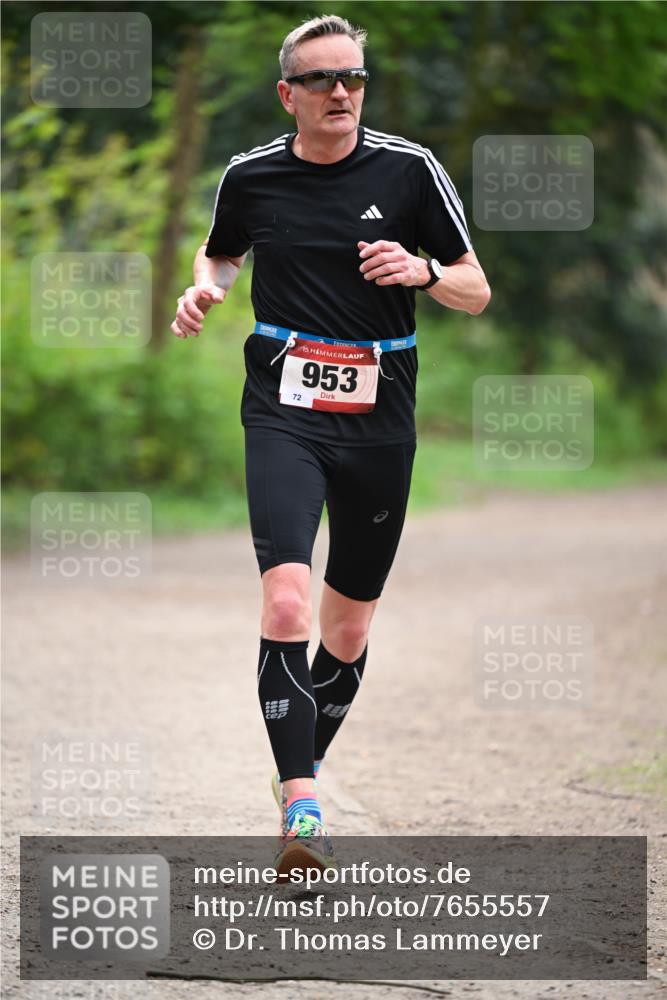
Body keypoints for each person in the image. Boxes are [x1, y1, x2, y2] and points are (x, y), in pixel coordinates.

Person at [171, 14, 490, 874]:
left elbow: (474, 288)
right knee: (285, 605)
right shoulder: (251, 175)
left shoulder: (410, 169)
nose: (340, 92)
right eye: (320, 80)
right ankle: (303, 805)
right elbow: (220, 254)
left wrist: (423, 271)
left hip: (380, 413)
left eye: (351, 77)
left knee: (345, 630)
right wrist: (204, 293)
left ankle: (296, 775)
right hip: (282, 406)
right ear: (289, 94)